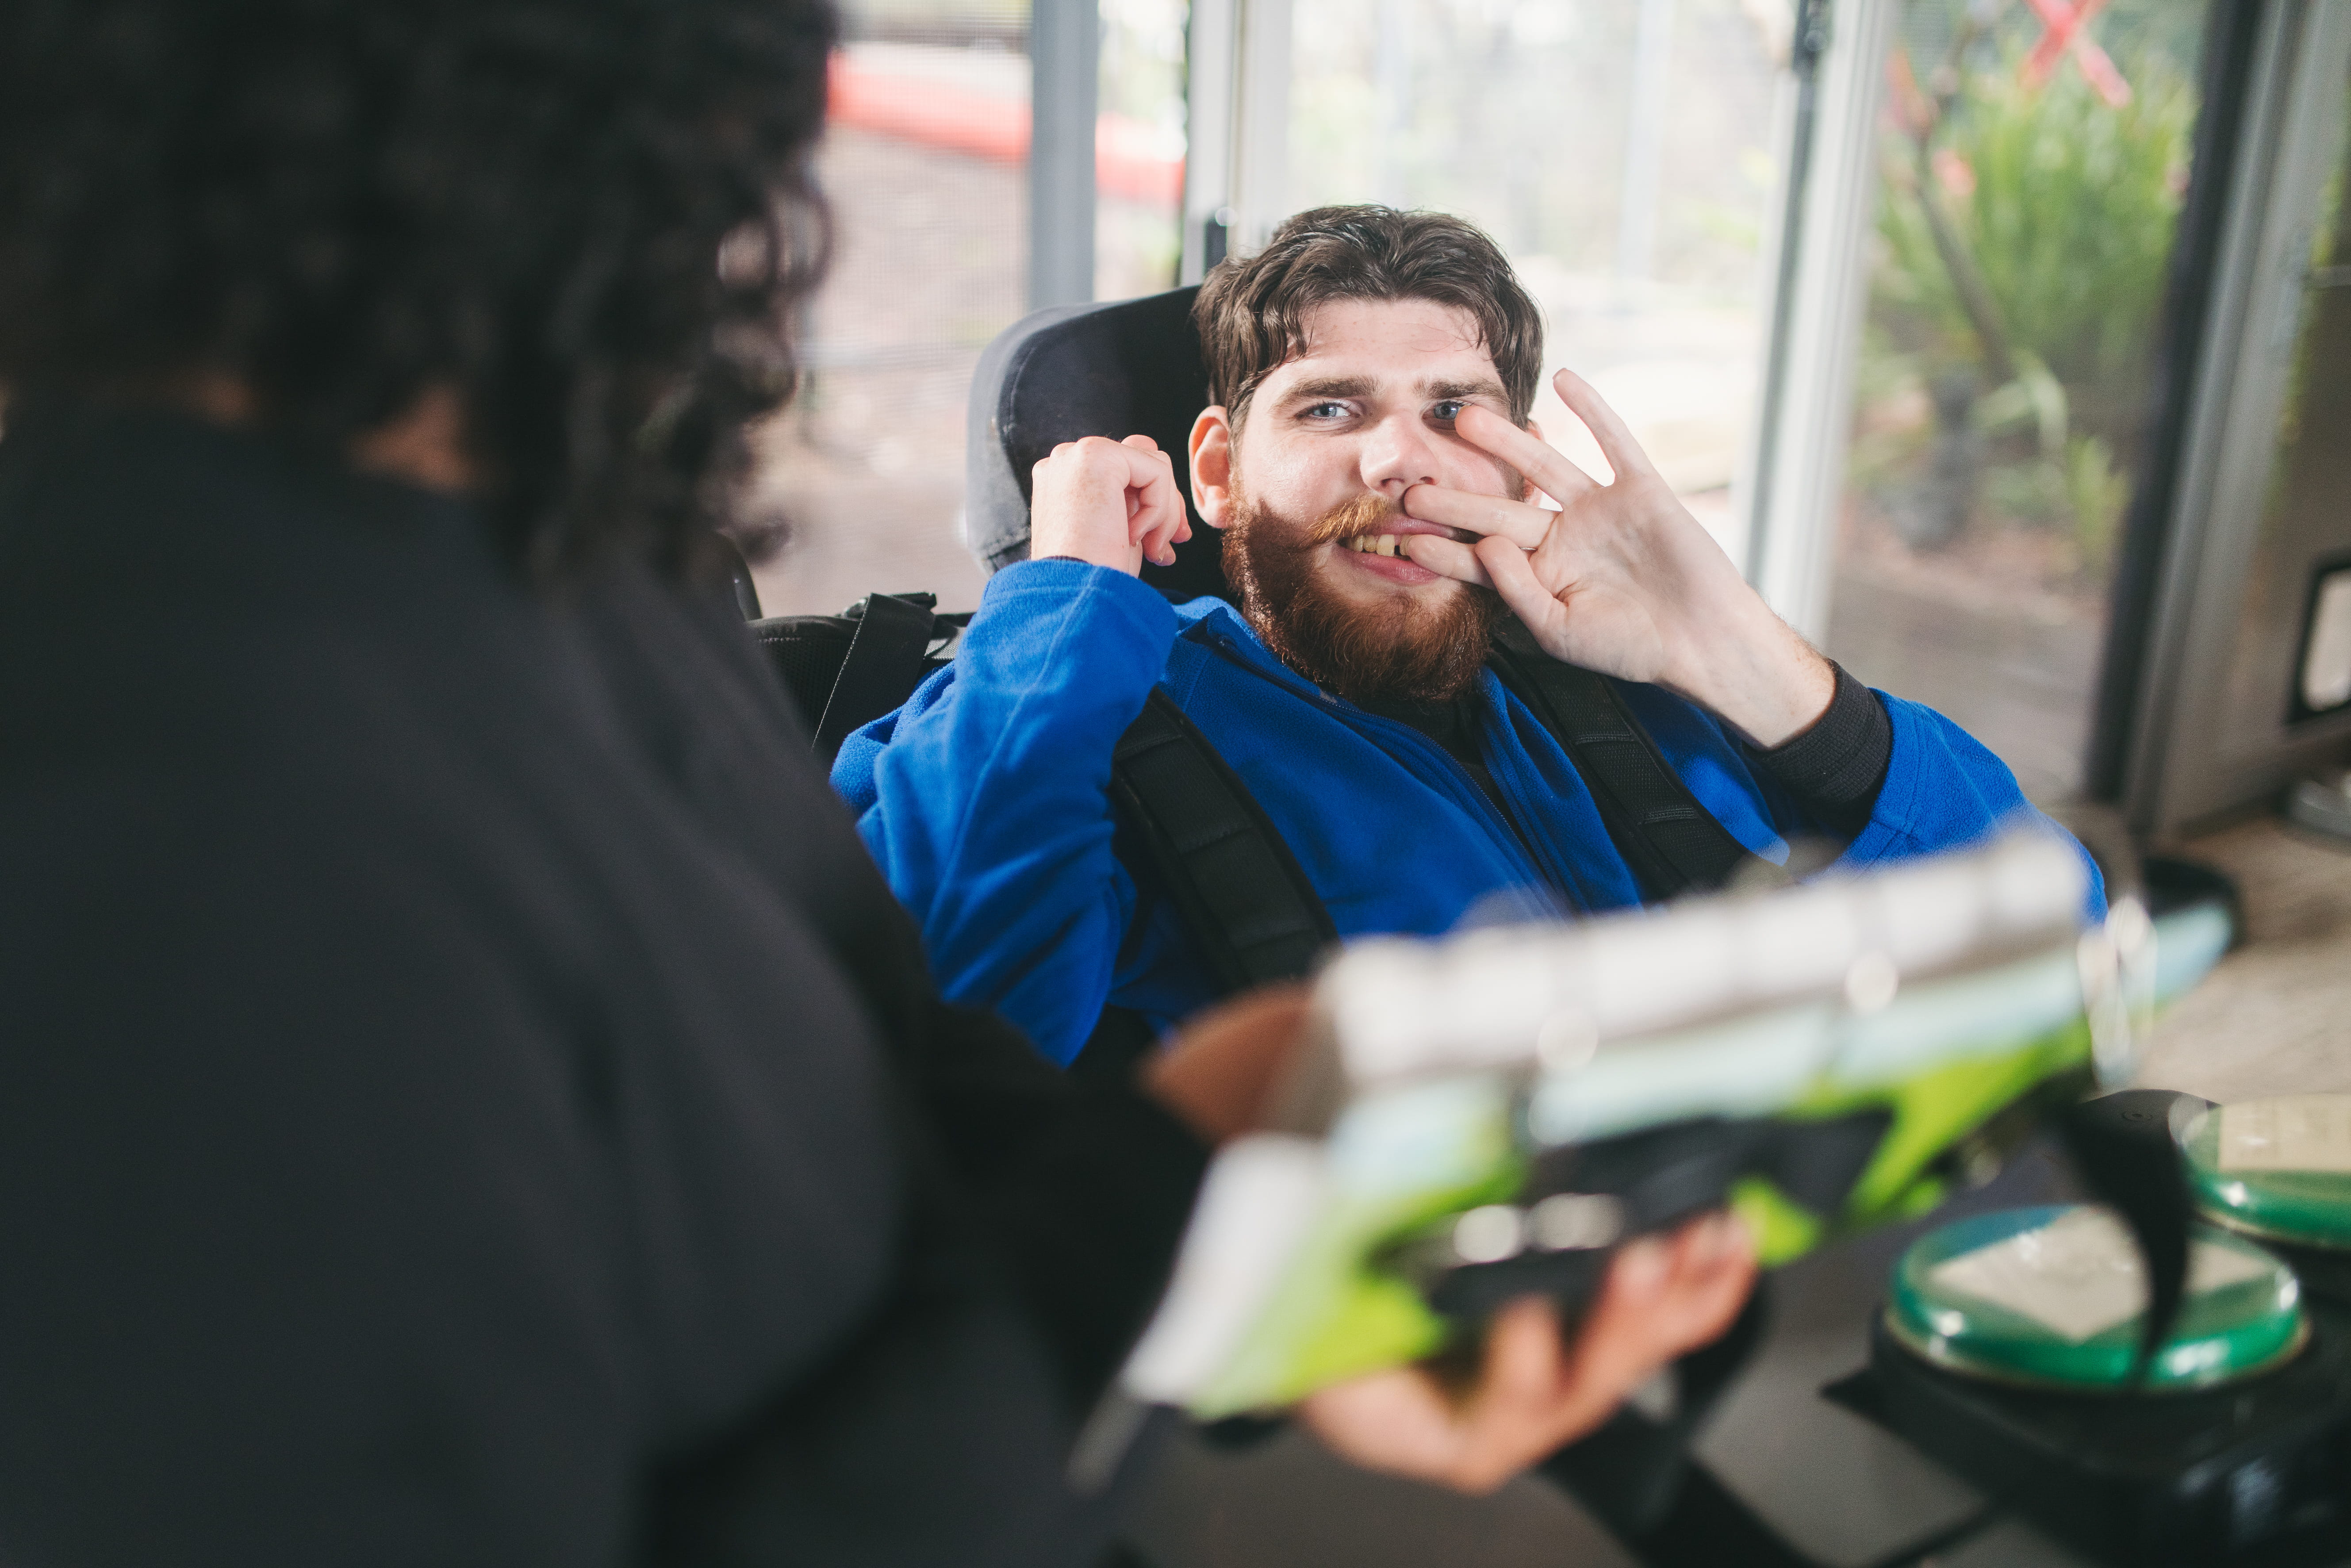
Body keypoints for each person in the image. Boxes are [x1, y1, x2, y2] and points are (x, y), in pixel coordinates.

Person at [0, 7, 1751, 1562]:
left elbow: (876, 1071)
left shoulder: (583, 543)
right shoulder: (163, 811)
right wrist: (1176, 1179)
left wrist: (1216, 1190)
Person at [837, 206, 2097, 1070]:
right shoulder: (1067, 721)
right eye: (1331, 406)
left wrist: (1748, 660)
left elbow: (2058, 937)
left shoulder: (1641, 681)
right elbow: (935, 1055)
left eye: (1455, 409)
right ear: (1217, 471)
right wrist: (1060, 601)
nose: (1399, 460)